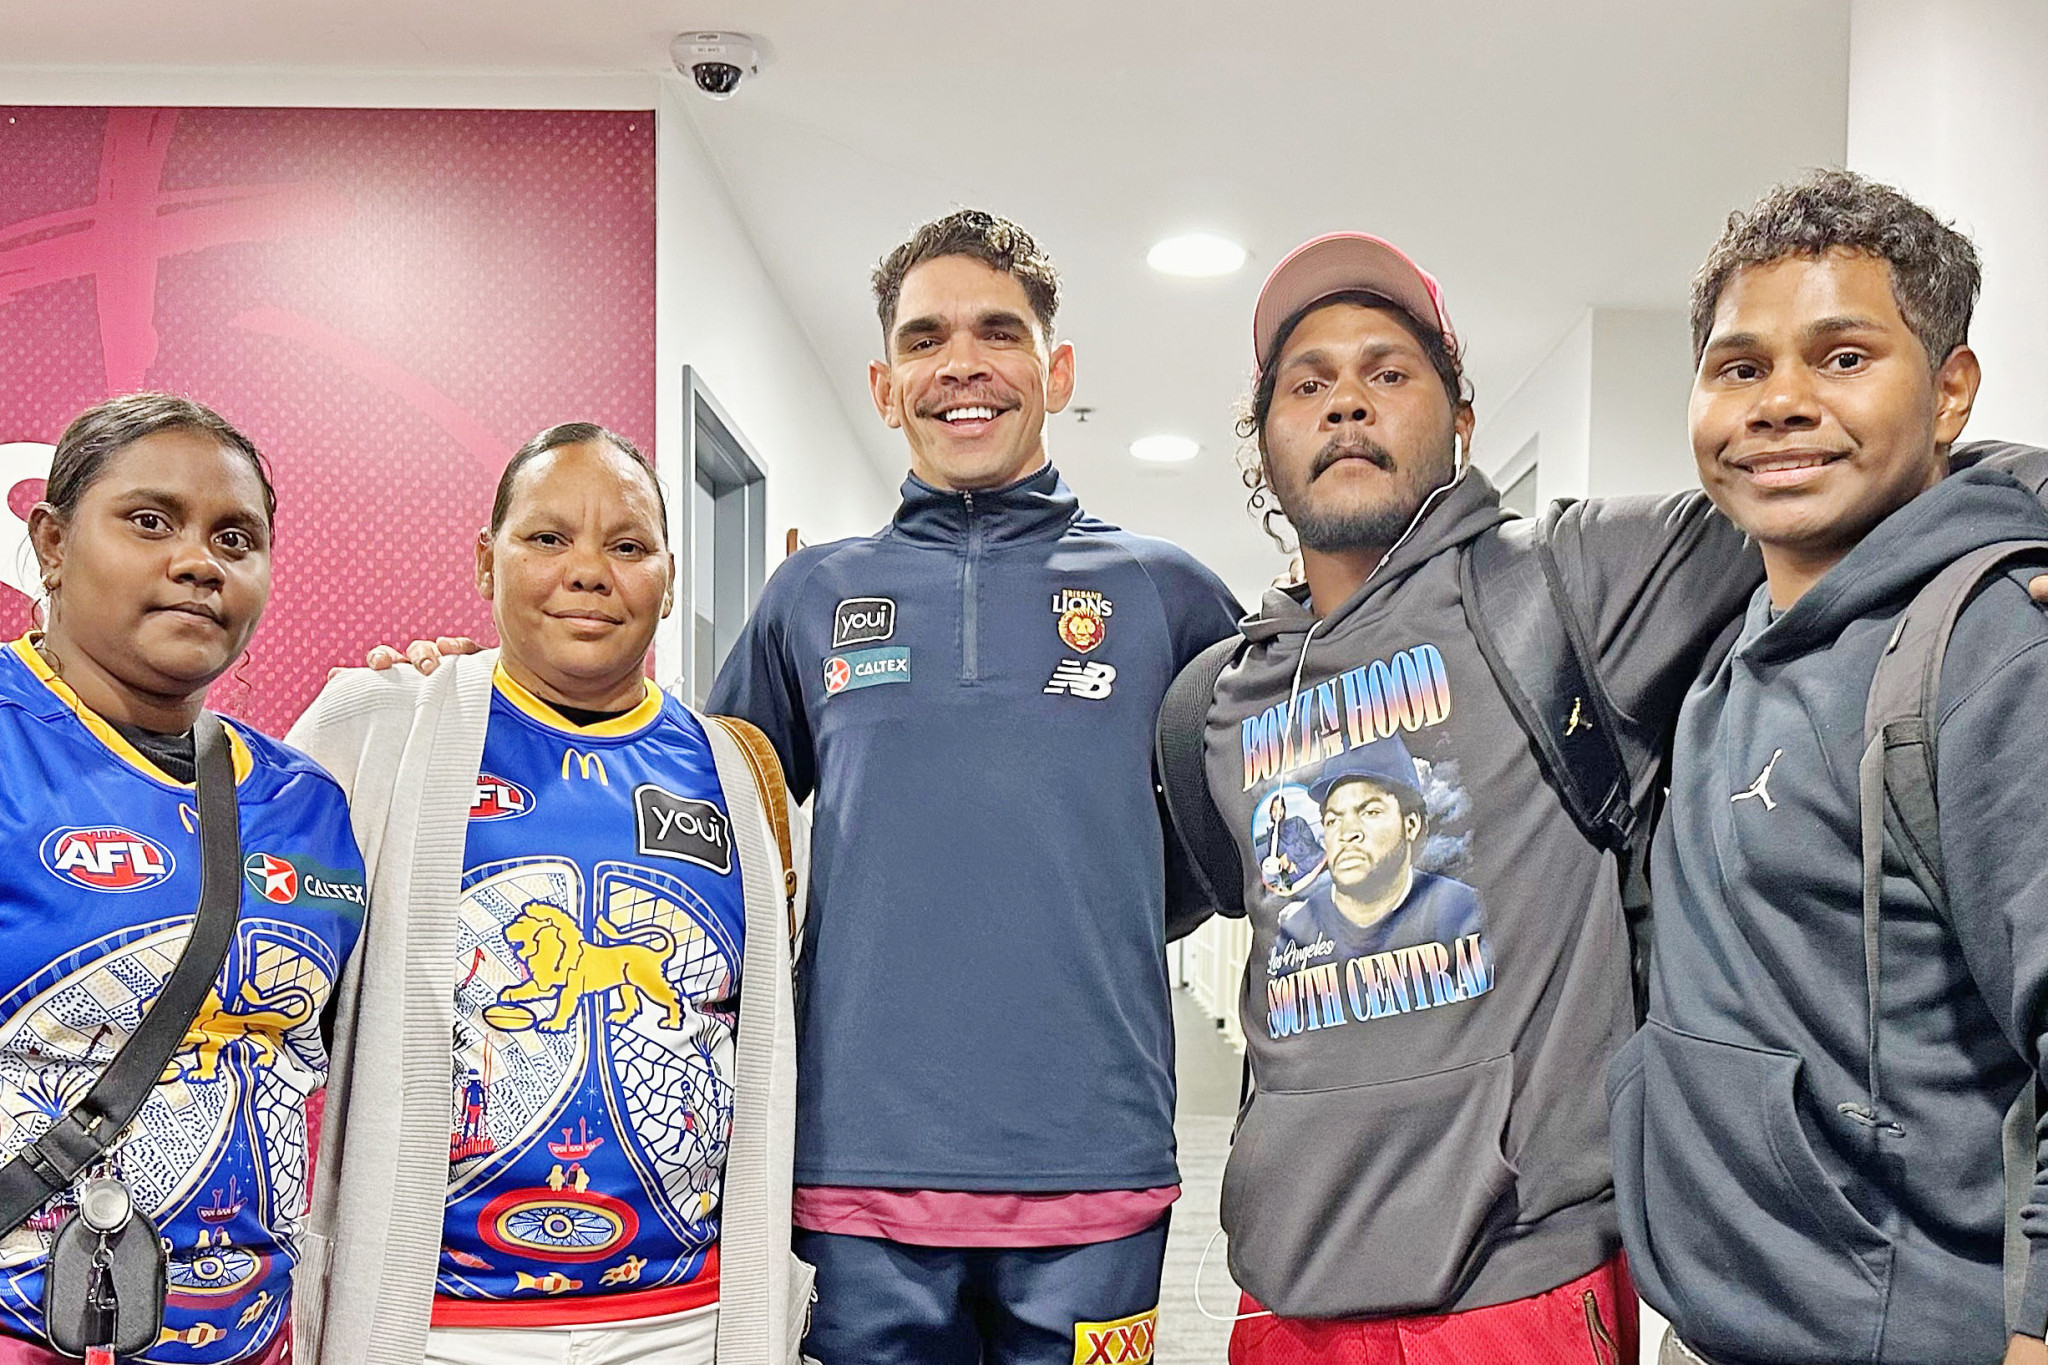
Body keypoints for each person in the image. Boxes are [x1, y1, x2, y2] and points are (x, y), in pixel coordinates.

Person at [1181, 228, 2048, 1363]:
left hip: (1514, 1279)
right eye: (1308, 383)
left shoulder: (1574, 577)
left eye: (1388, 373)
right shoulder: (1218, 698)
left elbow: (1837, 474)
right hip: (1283, 1282)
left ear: (1462, 422)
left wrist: (2020, 503)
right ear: (1261, 438)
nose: (1347, 404)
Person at [705, 210, 1242, 1365]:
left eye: (997, 332)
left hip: (1092, 1154)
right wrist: (485, 692)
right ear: (884, 384)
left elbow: (1244, 835)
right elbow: (703, 827)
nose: (961, 363)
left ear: (1052, 371)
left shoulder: (1167, 593)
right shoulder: (808, 595)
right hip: (861, 1159)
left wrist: (1109, 911)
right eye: (924, 337)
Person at [1609, 172, 2048, 1365]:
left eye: (1843, 357)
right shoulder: (1719, 643)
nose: (1780, 403)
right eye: (1738, 368)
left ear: (1949, 390)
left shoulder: (1995, 651)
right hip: (1720, 1325)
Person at [288, 424, 807, 1365]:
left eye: (627, 544)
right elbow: (272, 997)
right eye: (547, 538)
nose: (588, 571)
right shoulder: (379, 729)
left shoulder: (737, 773)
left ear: (670, 573)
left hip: (682, 1323)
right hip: (439, 1324)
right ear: (485, 564)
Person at [0, 393, 365, 1365]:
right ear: (52, 542)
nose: (199, 561)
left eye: (235, 537)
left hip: (260, 1340)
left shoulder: (310, 804)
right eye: (150, 520)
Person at [1272, 733, 1484, 961]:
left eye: (1370, 812)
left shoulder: (1462, 909)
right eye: (1333, 820)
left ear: (1411, 825)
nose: (1348, 833)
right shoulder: (1299, 929)